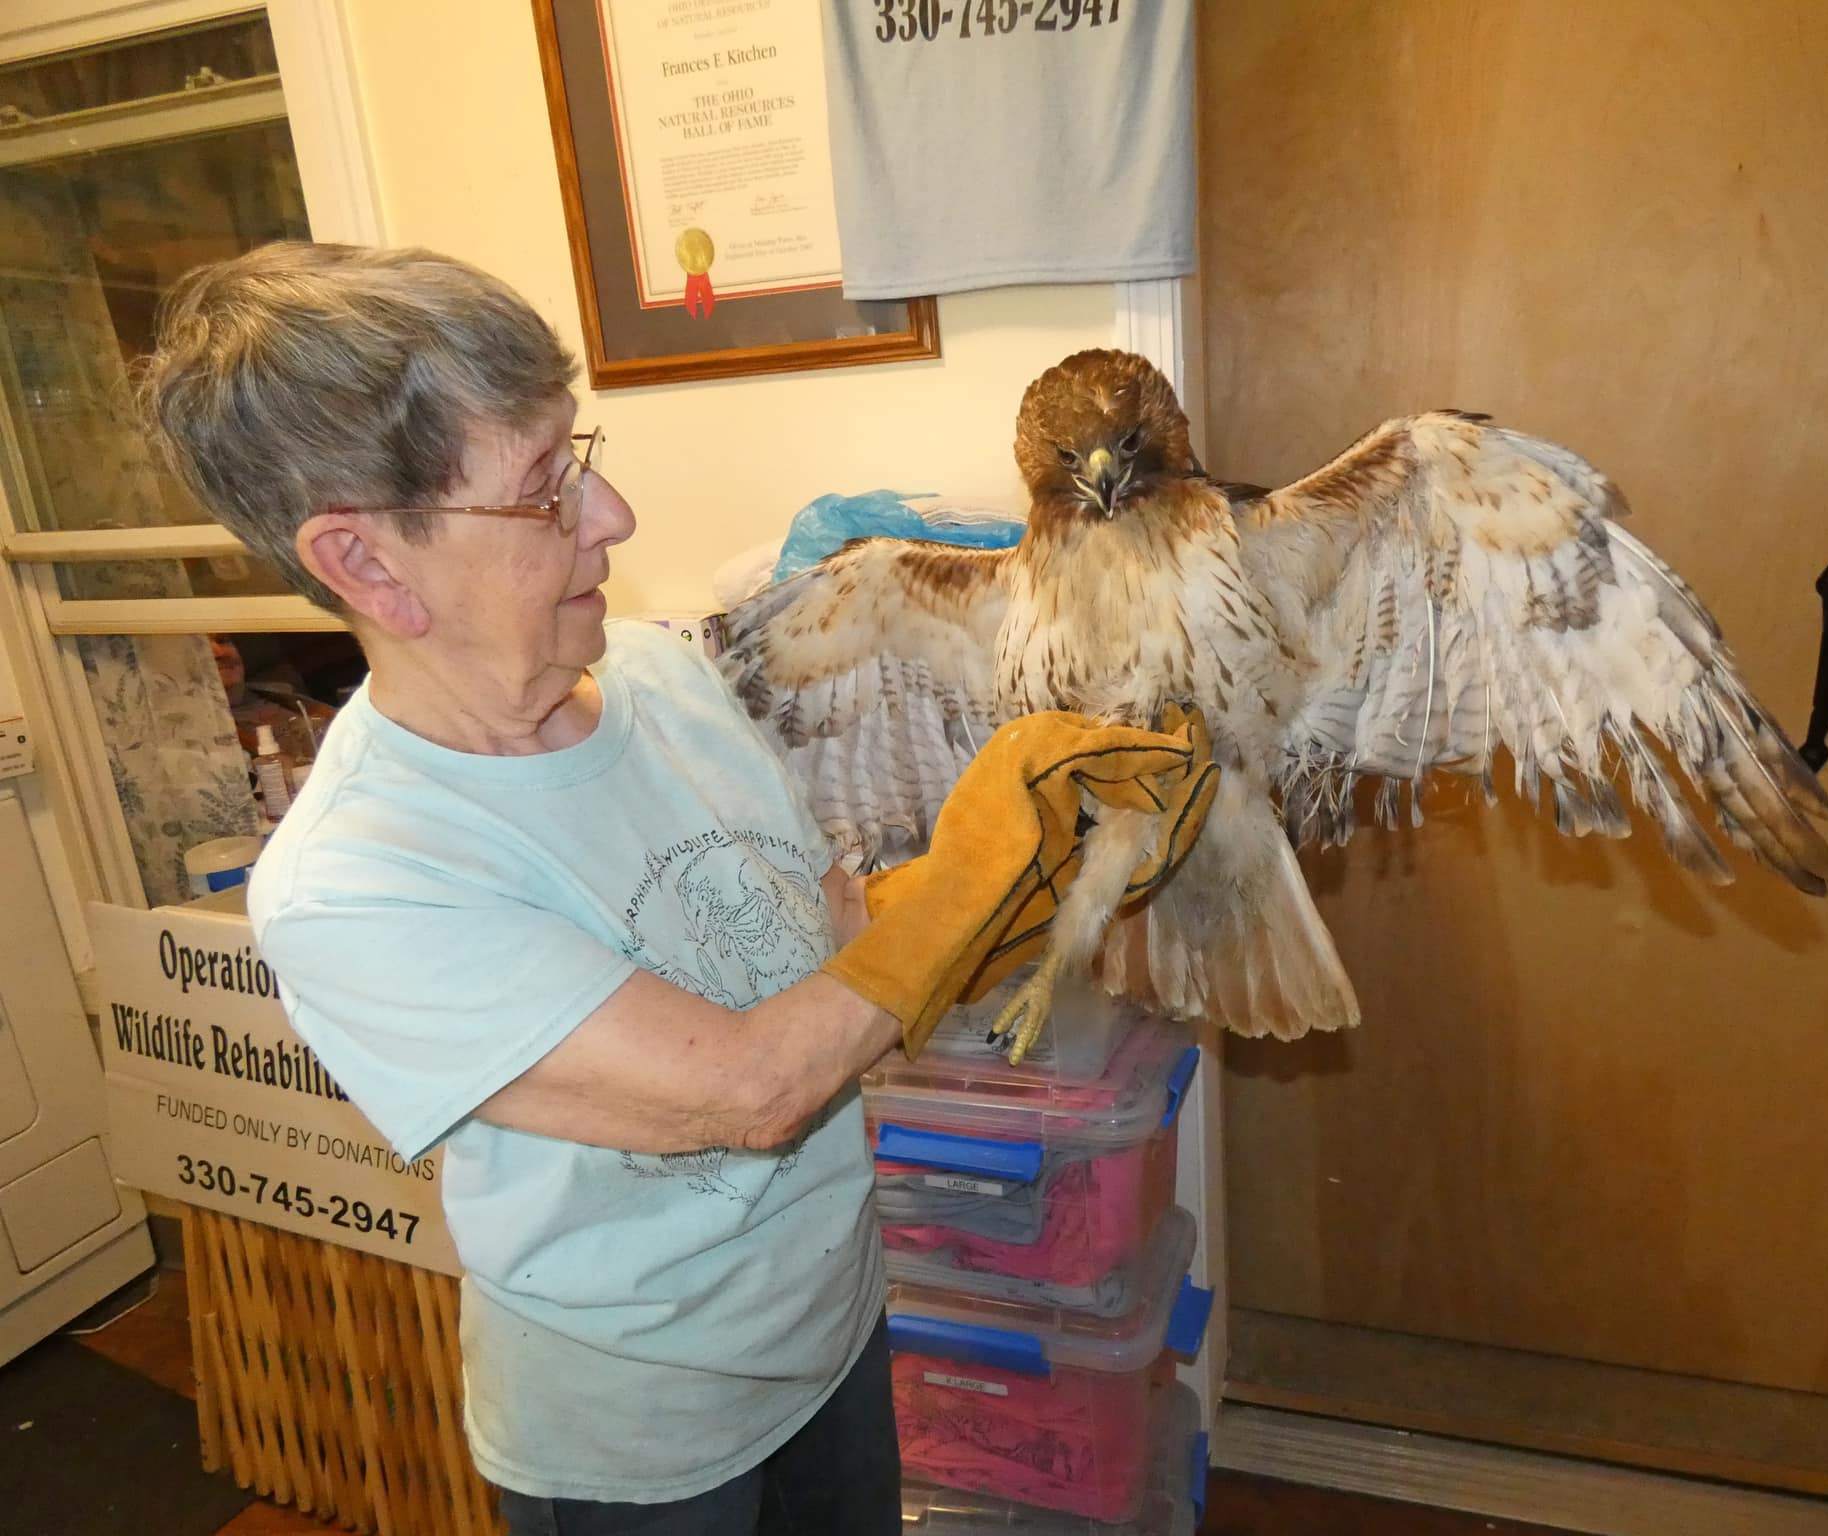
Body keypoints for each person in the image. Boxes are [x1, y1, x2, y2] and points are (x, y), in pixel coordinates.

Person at [137, 242, 1211, 1536]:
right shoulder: (364, 880)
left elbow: (830, 941)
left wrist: (1058, 870)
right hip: (642, 1446)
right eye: (545, 491)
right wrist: (986, 854)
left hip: (833, 1328)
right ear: (367, 564)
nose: (614, 517)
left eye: (576, 456)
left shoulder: (654, 675)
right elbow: (746, 1090)